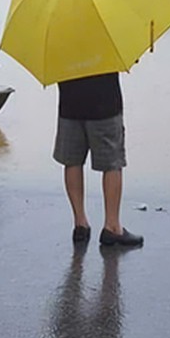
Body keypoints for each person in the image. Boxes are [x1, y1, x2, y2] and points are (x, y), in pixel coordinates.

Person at [53, 72, 143, 248]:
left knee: (72, 161)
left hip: (70, 102)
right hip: (104, 102)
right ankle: (112, 227)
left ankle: (80, 224)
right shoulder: (106, 43)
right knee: (112, 164)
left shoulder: (59, 43)